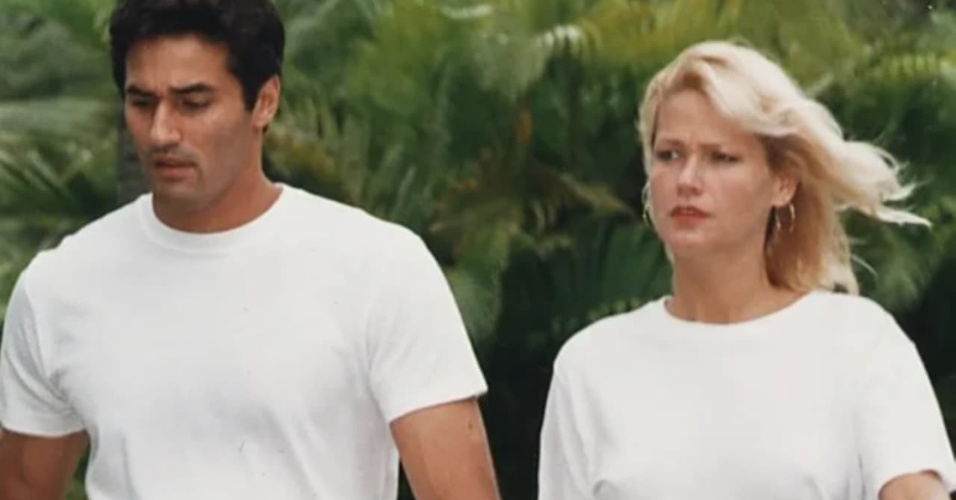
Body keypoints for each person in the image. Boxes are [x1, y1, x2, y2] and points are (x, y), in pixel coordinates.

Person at [0, 1, 500, 499]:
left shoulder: (379, 268)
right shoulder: (59, 287)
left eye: (193, 103)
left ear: (264, 101)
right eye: (142, 102)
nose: (161, 132)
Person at [537, 40, 956, 500]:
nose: (687, 180)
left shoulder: (860, 343)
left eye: (721, 157)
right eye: (670, 154)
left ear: (782, 182)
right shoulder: (591, 365)